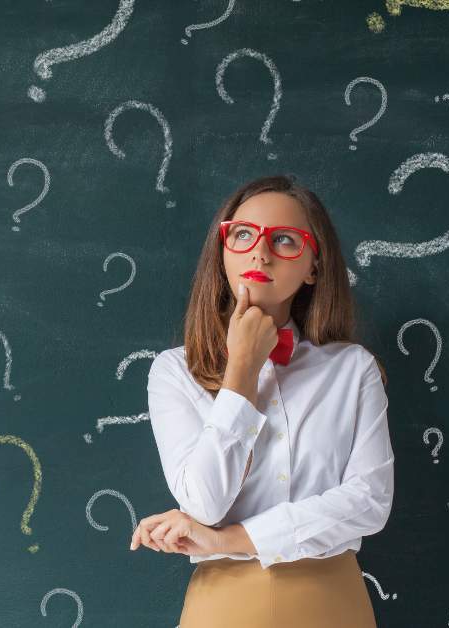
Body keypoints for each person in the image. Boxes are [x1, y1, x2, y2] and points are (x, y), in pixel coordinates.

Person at [129, 174, 395, 628]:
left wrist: (228, 539)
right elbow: (205, 504)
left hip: (333, 602)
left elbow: (369, 502)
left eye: (284, 239)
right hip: (224, 604)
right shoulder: (174, 372)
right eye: (243, 235)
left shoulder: (352, 369)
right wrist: (243, 370)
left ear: (313, 266)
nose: (260, 252)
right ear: (222, 252)